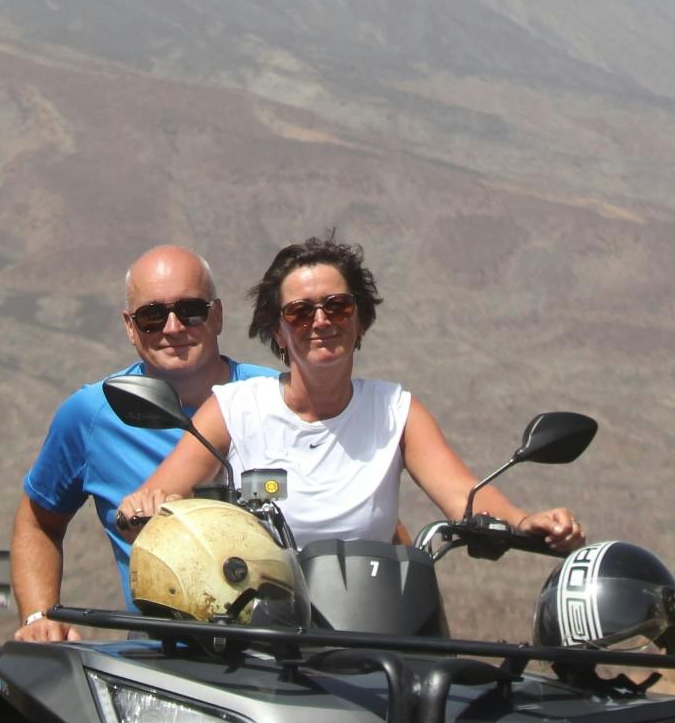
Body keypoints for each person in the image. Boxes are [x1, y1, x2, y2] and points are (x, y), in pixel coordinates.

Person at [117, 234, 584, 556]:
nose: (321, 321)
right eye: (300, 312)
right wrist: (143, 508)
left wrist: (522, 521)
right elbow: (157, 495)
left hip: (371, 628)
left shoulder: (396, 411)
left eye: (337, 306)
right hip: (258, 634)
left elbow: (463, 495)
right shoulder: (234, 409)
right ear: (277, 332)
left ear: (360, 320)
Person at [11, 245, 279, 642]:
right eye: (152, 316)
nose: (173, 328)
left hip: (284, 649)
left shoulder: (276, 397)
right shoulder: (92, 414)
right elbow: (38, 521)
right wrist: (38, 618)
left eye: (190, 310)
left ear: (218, 315)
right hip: (159, 659)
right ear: (129, 326)